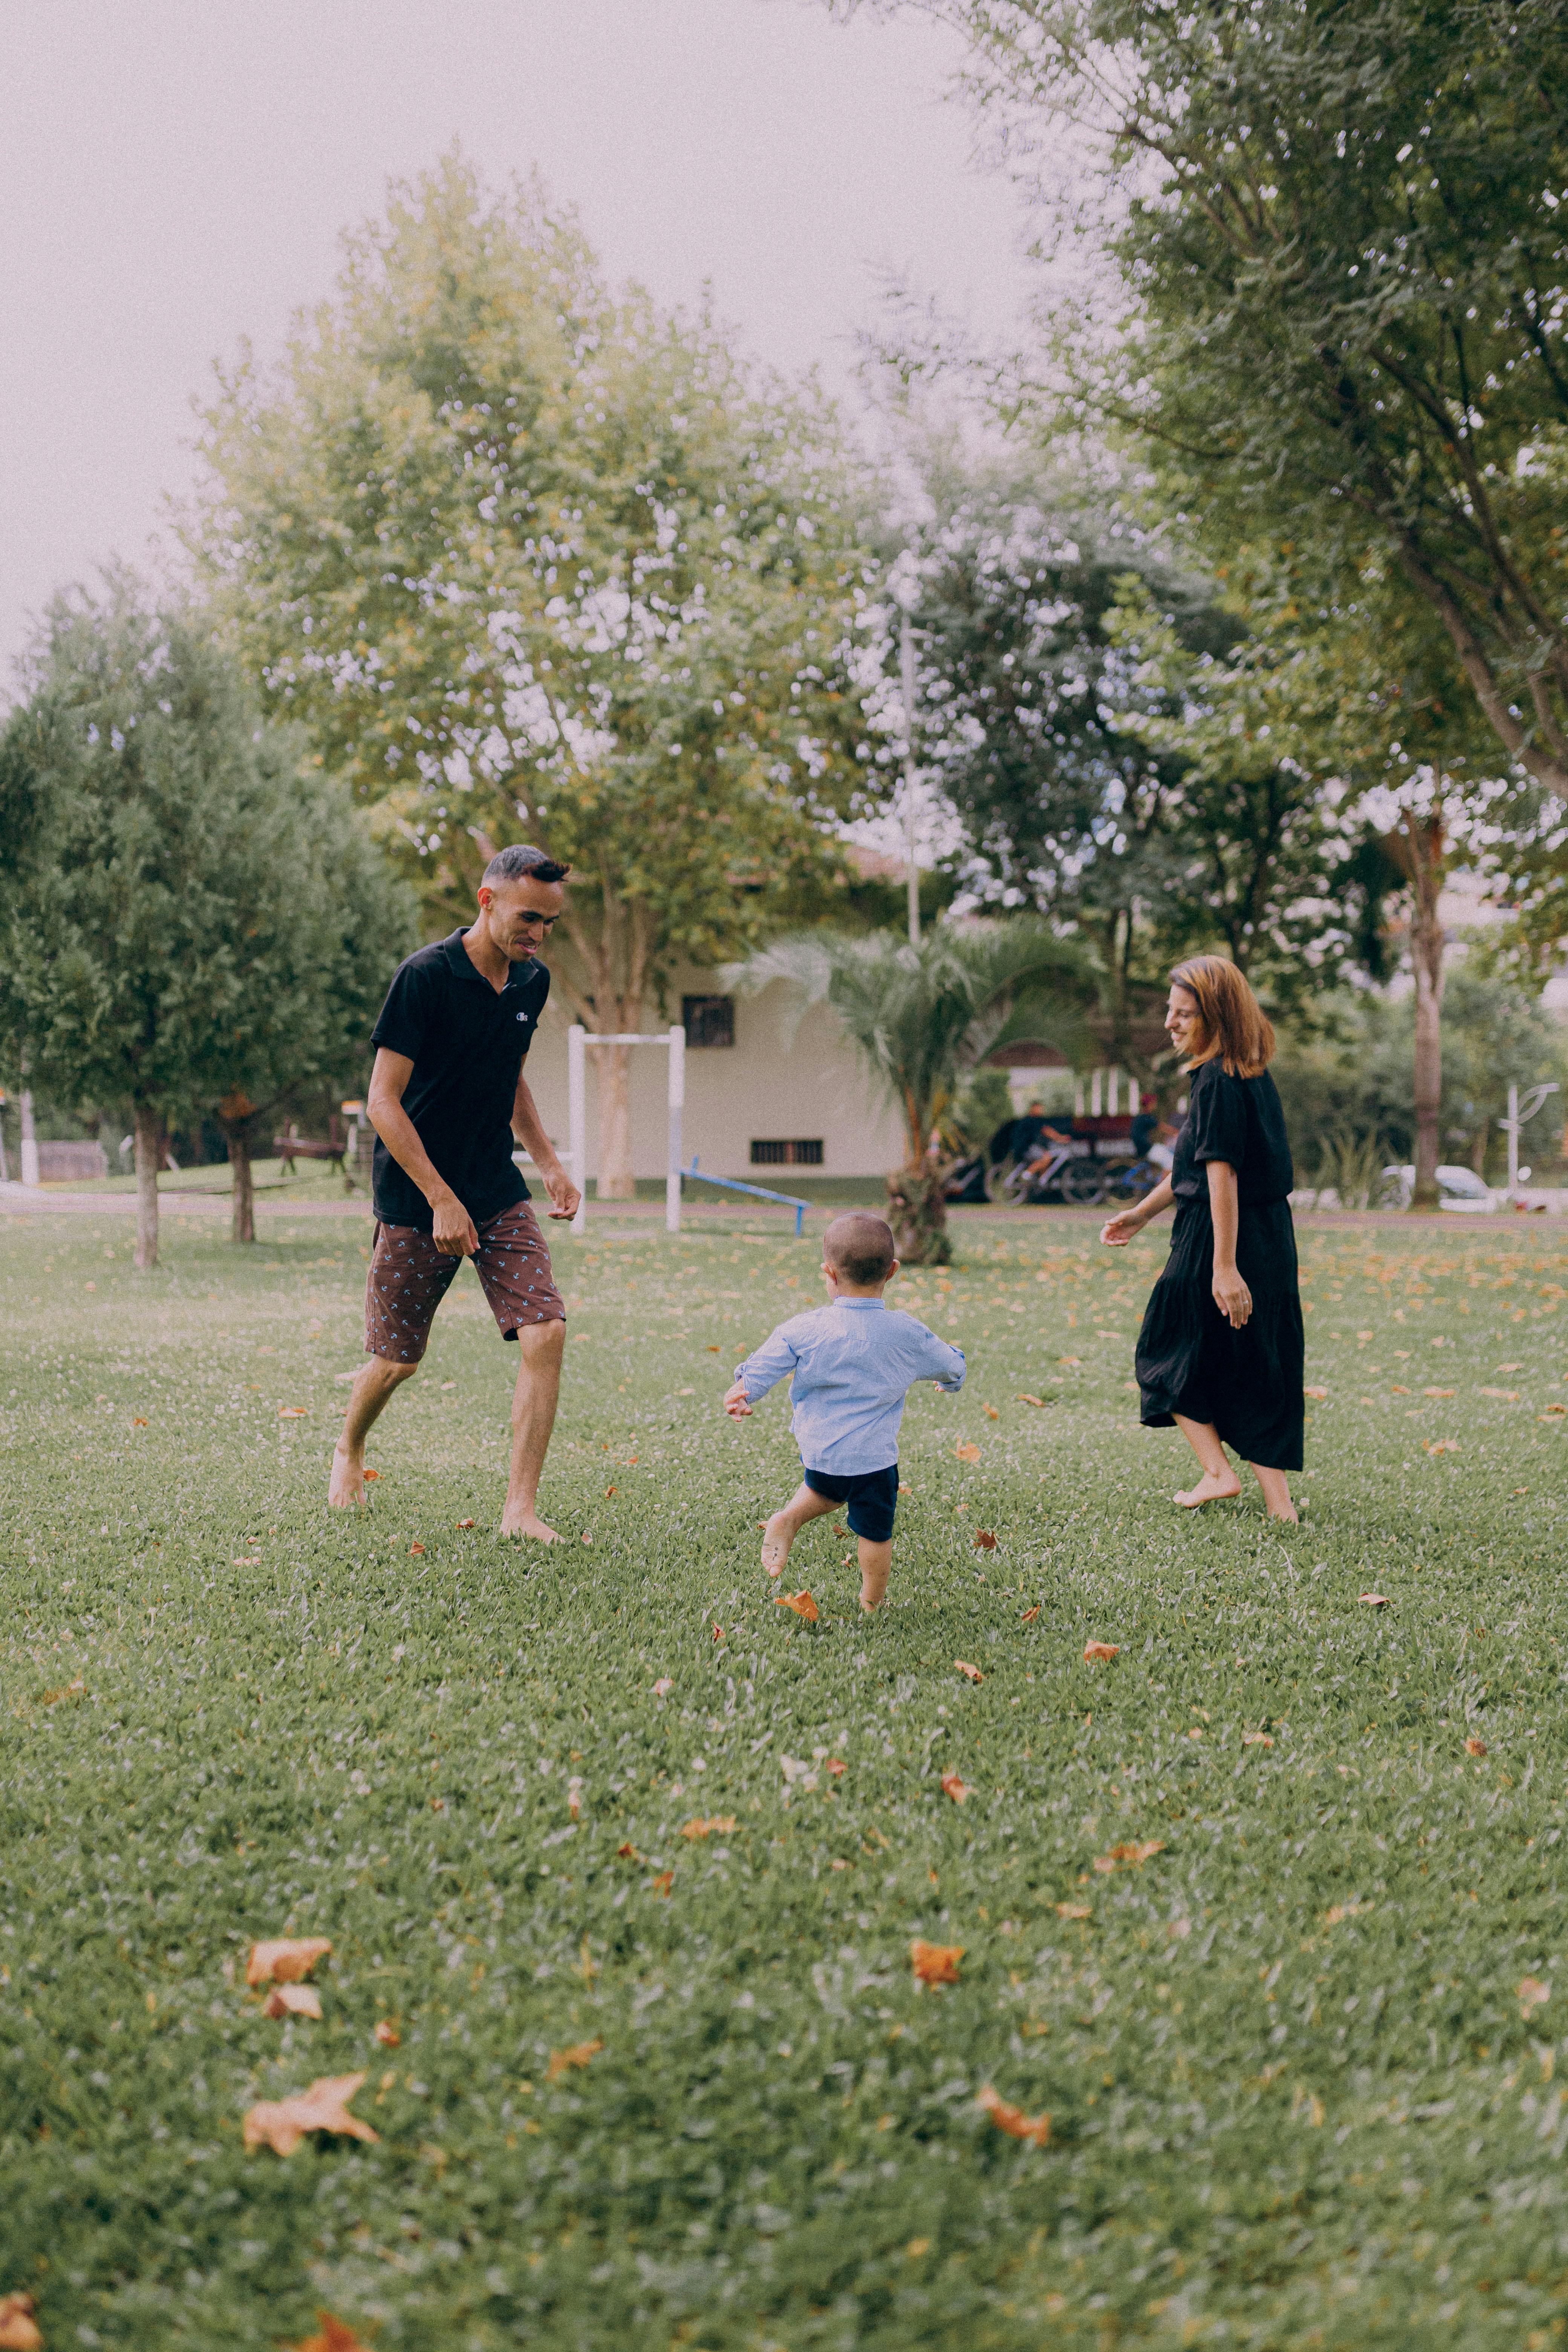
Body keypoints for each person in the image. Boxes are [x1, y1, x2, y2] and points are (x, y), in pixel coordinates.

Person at [329, 845, 583, 1539]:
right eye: (530, 918)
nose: (538, 934)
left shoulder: (532, 983)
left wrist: (550, 1164)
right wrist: (440, 1198)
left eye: (550, 923)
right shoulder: (426, 977)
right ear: (487, 900)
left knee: (547, 1330)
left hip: (495, 1188)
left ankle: (519, 1511)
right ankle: (349, 1446)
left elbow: (512, 1079)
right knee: (397, 1361)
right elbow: (384, 1102)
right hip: (416, 1197)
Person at [1099, 956, 1303, 1522]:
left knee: (1162, 1350)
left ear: (1215, 1016)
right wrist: (1141, 1214)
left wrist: (1223, 1266)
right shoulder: (1249, 1075)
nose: (1170, 1022)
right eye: (1170, 1010)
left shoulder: (1214, 1082)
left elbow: (1222, 1175)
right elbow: (1196, 1161)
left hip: (1219, 1235)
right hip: (1269, 1235)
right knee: (1252, 1360)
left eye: (1183, 1013)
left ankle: (1218, 1473)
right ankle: (1280, 1506)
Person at [722, 1212, 966, 1611]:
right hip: (874, 1460)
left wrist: (743, 1390)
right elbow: (951, 1364)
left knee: (827, 1489)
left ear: (828, 1272)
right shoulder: (906, 1332)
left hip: (820, 1450)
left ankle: (787, 1519)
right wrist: (951, 1379)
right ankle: (871, 1602)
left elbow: (764, 1365)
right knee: (874, 1533)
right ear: (892, 1271)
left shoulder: (802, 1328)